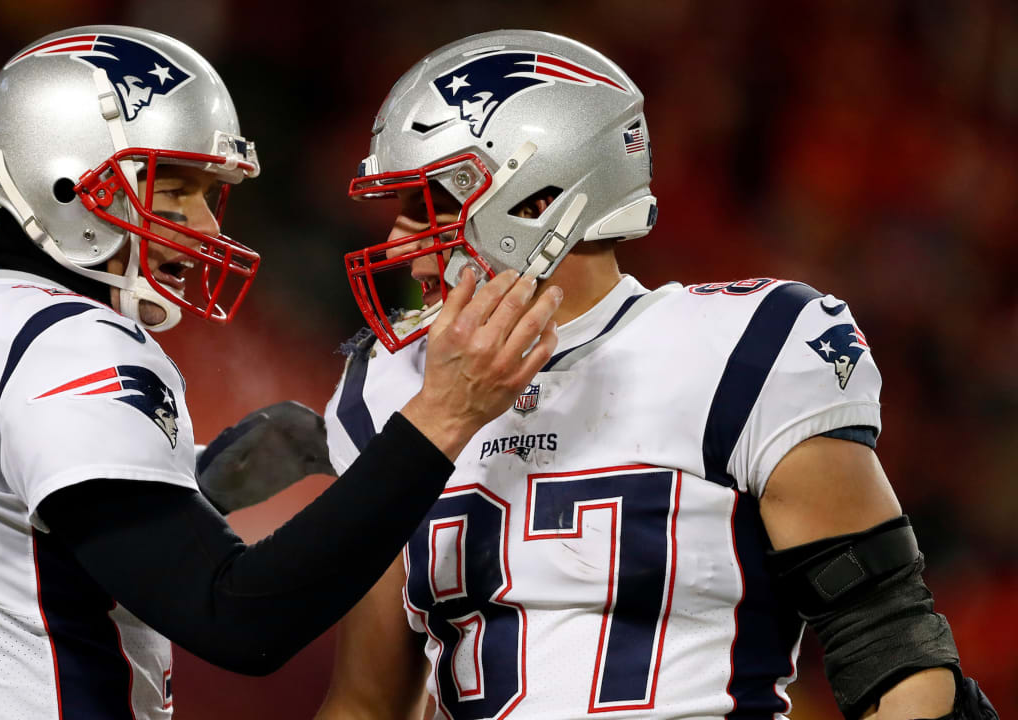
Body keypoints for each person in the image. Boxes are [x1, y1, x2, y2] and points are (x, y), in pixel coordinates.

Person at [0, 25, 562, 719]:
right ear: (66, 180)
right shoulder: (67, 341)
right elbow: (239, 622)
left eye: (210, 194)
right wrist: (442, 417)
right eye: (176, 189)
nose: (204, 226)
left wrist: (182, 485)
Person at [317, 29, 996, 720]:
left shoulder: (745, 350)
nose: (399, 241)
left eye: (424, 205)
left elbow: (889, 647)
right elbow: (367, 706)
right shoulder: (386, 391)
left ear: (533, 201)